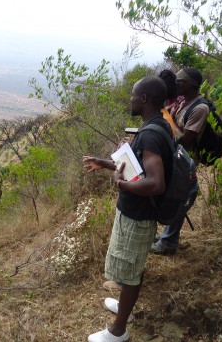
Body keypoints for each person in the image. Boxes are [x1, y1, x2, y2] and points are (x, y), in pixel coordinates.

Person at [83, 76, 173, 342]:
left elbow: (156, 183)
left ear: (144, 99)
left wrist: (121, 184)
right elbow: (138, 167)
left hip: (138, 215)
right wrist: (106, 163)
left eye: (134, 95)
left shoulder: (150, 134)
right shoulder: (158, 125)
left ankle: (119, 330)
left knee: (131, 273)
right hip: (136, 213)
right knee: (131, 267)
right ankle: (126, 308)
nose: (130, 99)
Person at [150, 67, 208, 255]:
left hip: (186, 161)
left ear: (189, 84)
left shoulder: (200, 108)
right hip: (175, 158)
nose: (176, 84)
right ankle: (167, 235)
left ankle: (169, 241)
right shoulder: (184, 102)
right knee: (171, 196)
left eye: (179, 81)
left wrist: (167, 118)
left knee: (179, 197)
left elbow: (184, 139)